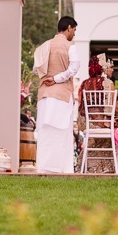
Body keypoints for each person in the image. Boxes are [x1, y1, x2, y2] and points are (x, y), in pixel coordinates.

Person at [33, 16, 80, 174]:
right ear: (68, 28)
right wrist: (57, 78)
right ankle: (61, 168)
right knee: (62, 131)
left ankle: (43, 166)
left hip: (45, 95)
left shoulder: (45, 46)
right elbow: (74, 68)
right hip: (61, 95)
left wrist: (48, 77)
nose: (74, 33)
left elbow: (36, 68)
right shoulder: (70, 46)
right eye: (74, 30)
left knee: (45, 130)